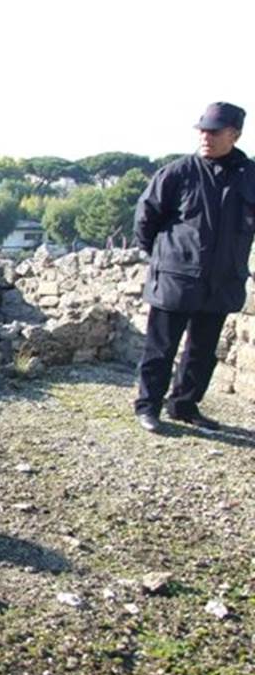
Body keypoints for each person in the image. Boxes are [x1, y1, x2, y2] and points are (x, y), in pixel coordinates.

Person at [133, 102, 255, 432]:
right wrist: (163, 259)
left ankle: (184, 406)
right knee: (160, 349)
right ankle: (148, 408)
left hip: (222, 282)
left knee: (201, 354)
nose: (206, 136)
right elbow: (146, 219)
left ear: (235, 135)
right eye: (202, 129)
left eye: (214, 131)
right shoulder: (177, 172)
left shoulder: (251, 177)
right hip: (175, 279)